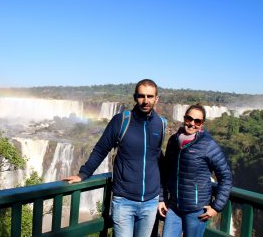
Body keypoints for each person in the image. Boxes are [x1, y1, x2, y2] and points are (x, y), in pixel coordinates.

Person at [64, 79, 166, 237]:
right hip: (124, 201)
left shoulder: (160, 124)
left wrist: (161, 196)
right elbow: (101, 149)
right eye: (141, 96)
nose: (146, 101)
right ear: (135, 97)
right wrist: (83, 174)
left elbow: (158, 160)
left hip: (150, 202)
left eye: (150, 96)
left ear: (156, 98)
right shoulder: (122, 121)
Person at [158, 104, 232, 237]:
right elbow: (165, 172)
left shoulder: (208, 145)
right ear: (184, 118)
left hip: (196, 211)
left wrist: (216, 207)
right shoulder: (173, 141)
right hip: (174, 207)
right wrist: (162, 198)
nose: (192, 123)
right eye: (189, 119)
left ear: (202, 124)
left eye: (197, 121)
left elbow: (226, 177)